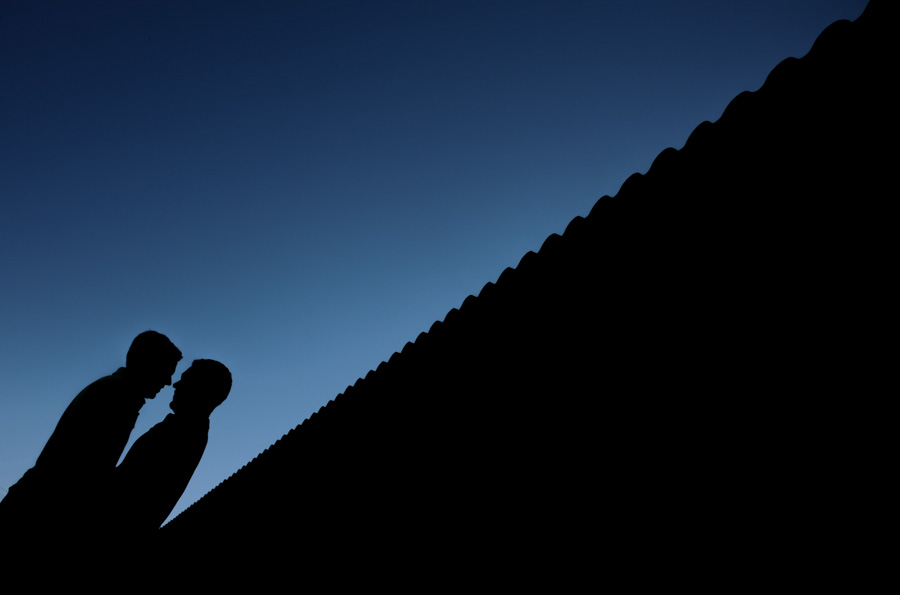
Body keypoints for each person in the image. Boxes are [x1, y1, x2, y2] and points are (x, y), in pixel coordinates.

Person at [0, 330, 182, 545]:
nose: (169, 381)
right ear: (148, 363)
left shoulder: (114, 390)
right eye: (166, 370)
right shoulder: (118, 397)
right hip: (40, 514)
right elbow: (89, 470)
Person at [113, 359, 232, 538]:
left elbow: (129, 487)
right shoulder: (184, 429)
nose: (175, 384)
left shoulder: (183, 434)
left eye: (186, 379)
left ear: (201, 389)